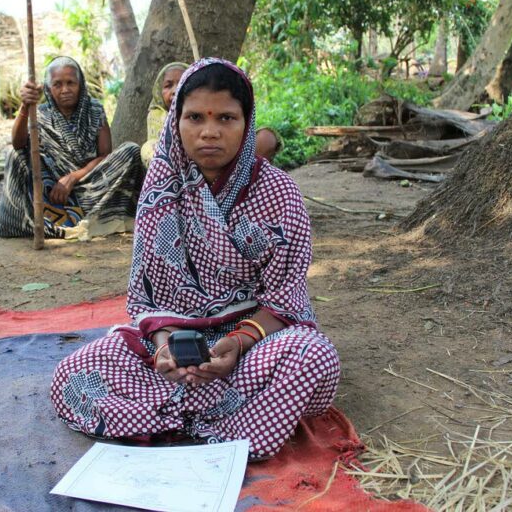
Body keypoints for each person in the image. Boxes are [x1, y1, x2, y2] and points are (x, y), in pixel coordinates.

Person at [50, 58, 340, 460]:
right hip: (173, 341)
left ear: (246, 121)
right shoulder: (161, 184)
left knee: (313, 357)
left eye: (225, 118)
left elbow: (285, 299)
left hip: (255, 343)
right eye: (194, 117)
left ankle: (172, 420)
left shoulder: (279, 192)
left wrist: (236, 344)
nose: (209, 132)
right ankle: (228, 423)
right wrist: (164, 348)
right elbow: (146, 297)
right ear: (176, 120)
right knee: (75, 373)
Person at [0, 56, 144, 240]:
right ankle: (38, 220)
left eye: (70, 83)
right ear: (49, 88)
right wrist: (25, 107)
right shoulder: (39, 114)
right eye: (57, 84)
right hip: (52, 194)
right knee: (13, 154)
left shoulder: (95, 110)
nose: (65, 89)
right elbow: (18, 144)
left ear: (80, 84)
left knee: (131, 150)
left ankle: (91, 215)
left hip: (89, 187)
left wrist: (73, 177)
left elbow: (105, 155)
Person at [140, 62, 189, 167]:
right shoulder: (156, 115)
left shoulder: (201, 114)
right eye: (168, 85)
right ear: (159, 91)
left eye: (182, 83)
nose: (175, 90)